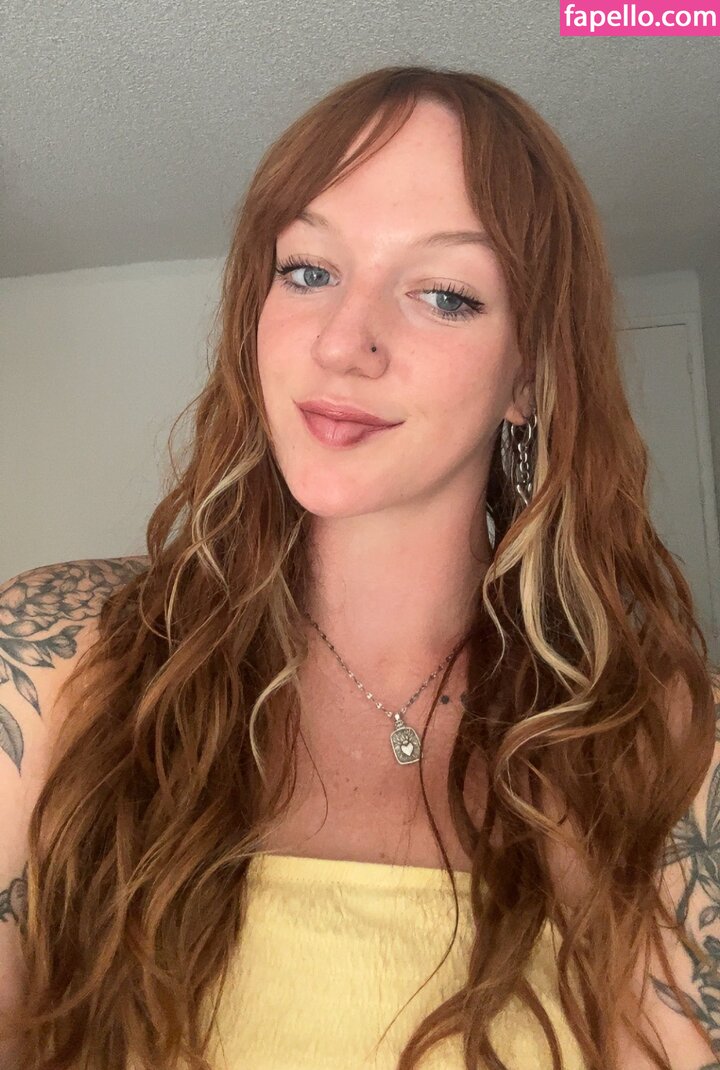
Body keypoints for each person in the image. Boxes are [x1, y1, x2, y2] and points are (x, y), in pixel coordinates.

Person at [1, 64, 719, 1070]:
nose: (344, 342)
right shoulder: (54, 656)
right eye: (308, 271)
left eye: (444, 293)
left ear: (528, 374)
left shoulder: (664, 740)